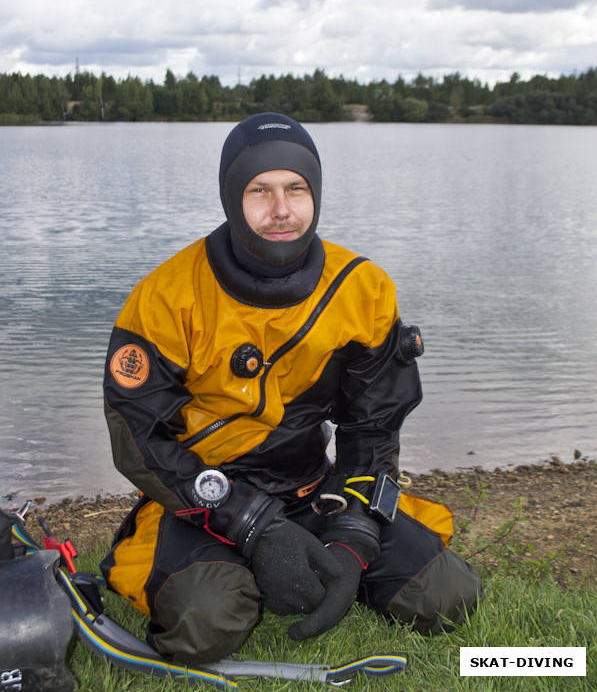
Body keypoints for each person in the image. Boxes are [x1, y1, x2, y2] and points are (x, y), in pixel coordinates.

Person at [101, 112, 482, 666]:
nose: (281, 211)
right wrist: (253, 527)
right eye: (260, 190)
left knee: (448, 599)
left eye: (296, 189)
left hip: (311, 486)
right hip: (205, 493)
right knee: (207, 626)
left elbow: (372, 426)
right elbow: (138, 439)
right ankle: (217, 558)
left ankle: (317, 550)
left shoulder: (361, 289)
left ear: (316, 192)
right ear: (232, 196)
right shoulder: (164, 297)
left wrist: (352, 537)